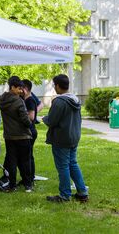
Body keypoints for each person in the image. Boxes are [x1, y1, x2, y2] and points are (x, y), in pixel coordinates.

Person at [43, 74, 88, 203]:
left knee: (63, 167)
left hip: (61, 138)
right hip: (74, 137)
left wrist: (44, 118)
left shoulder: (59, 101)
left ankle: (64, 195)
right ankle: (82, 192)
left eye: (54, 85)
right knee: (73, 164)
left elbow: (52, 121)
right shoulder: (75, 100)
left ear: (57, 85)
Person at [0, 76, 32, 192]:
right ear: (12, 87)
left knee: (12, 161)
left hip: (9, 136)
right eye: (19, 88)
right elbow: (25, 119)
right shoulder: (19, 101)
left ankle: (12, 185)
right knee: (25, 161)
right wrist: (30, 123)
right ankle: (28, 184)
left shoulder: (2, 100)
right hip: (22, 135)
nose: (21, 91)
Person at [22, 79, 38, 184]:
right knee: (28, 155)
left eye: (21, 88)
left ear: (26, 89)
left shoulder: (30, 100)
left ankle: (29, 179)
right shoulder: (26, 100)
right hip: (29, 131)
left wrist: (20, 115)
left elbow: (31, 117)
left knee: (27, 156)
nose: (20, 91)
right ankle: (29, 178)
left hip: (30, 131)